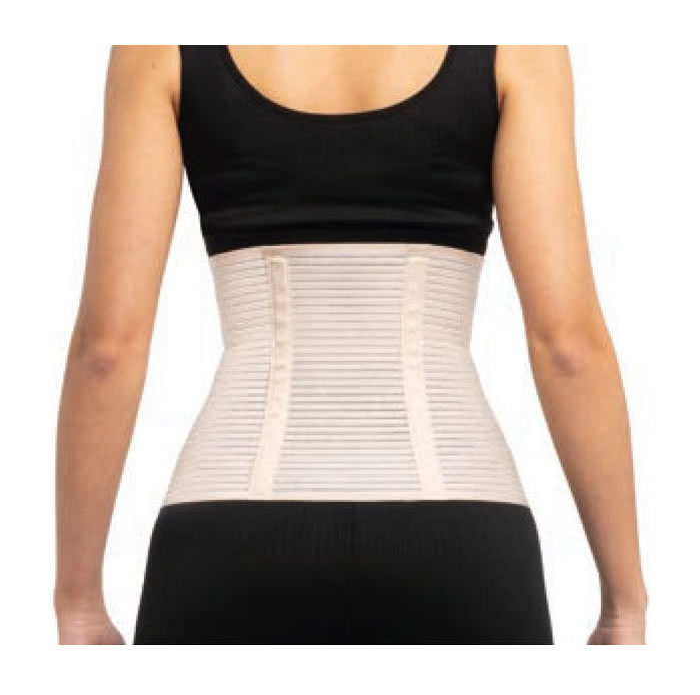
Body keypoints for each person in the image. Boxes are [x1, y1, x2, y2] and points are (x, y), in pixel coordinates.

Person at [53, 45, 647, 645]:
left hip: (229, 541)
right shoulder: (519, 46)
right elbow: (568, 344)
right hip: (460, 544)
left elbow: (108, 346)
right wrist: (624, 605)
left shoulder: (158, 45)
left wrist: (78, 602)